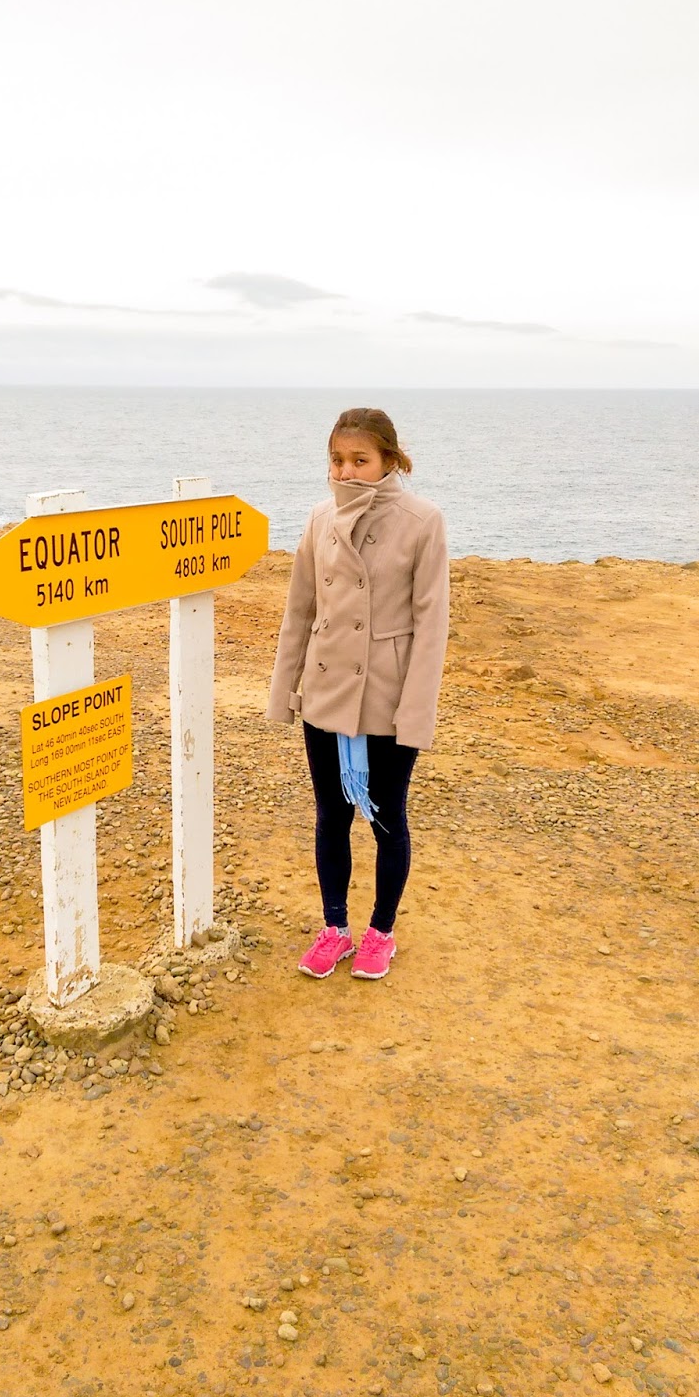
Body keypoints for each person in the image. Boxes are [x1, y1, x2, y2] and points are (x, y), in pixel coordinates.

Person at [266, 407, 449, 981]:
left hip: (386, 698)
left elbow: (431, 626)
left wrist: (415, 713)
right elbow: (299, 612)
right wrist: (283, 691)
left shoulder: (422, 521)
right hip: (325, 694)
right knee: (331, 816)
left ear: (389, 461)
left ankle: (381, 932)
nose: (346, 471)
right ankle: (334, 929)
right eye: (337, 460)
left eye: (360, 460)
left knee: (388, 818)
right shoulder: (319, 518)